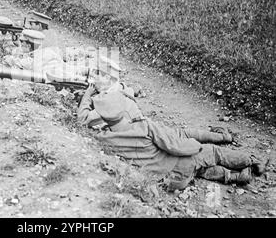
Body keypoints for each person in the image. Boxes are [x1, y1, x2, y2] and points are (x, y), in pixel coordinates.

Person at [77, 61, 266, 191]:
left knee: (198, 169)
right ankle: (254, 161)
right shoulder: (145, 127)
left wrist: (88, 96)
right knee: (211, 153)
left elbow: (82, 119)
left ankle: (236, 177)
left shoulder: (104, 138)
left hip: (168, 181)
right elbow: (176, 146)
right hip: (178, 167)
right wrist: (196, 146)